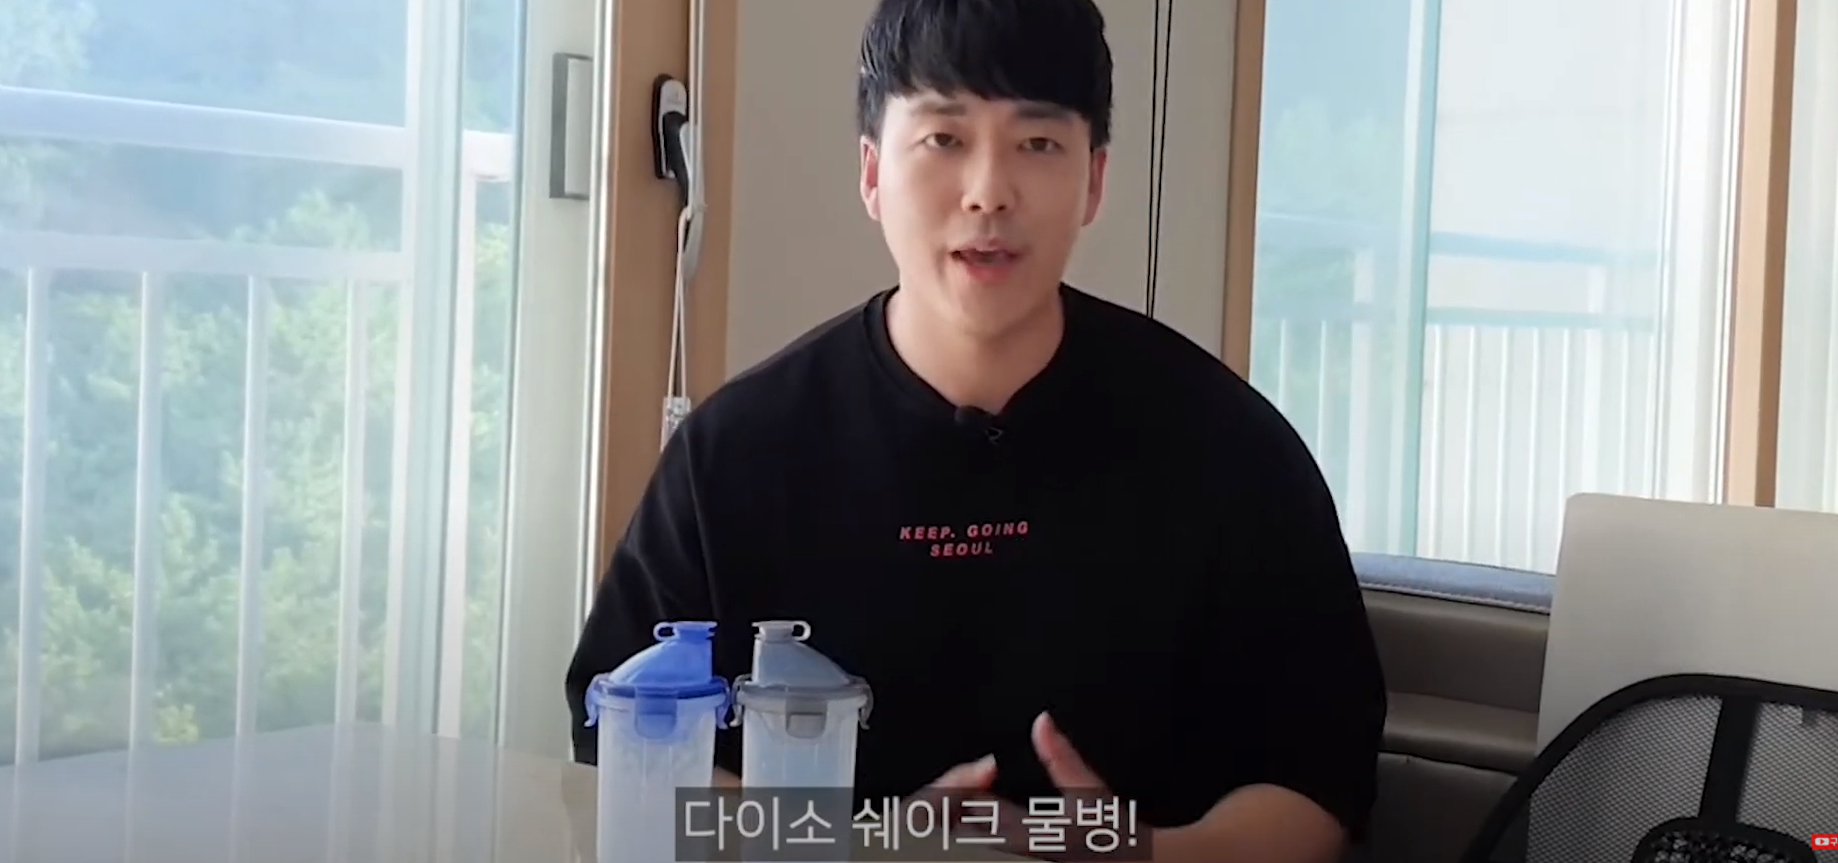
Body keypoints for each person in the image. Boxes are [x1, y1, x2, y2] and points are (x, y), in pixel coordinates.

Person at [565, 0, 1387, 860]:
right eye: (944, 139)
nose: (989, 191)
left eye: (1038, 143)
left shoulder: (1231, 448)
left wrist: (1142, 854)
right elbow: (622, 749)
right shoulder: (735, 454)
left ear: (1094, 180)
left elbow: (1322, 779)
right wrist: (860, 848)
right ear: (872, 172)